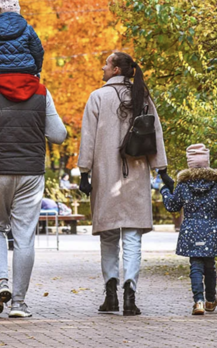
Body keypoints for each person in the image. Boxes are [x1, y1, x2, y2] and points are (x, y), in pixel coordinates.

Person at [0, 70, 67, 318]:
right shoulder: (41, 91)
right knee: (24, 237)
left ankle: (1, 282)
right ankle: (18, 303)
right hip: (31, 172)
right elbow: (59, 135)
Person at [77, 51, 170, 315]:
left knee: (108, 237)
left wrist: (84, 173)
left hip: (106, 178)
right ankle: (130, 294)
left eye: (106, 64)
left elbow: (88, 139)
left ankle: (111, 295)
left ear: (116, 69)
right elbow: (157, 135)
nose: (102, 67)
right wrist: (161, 171)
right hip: (136, 176)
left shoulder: (97, 97)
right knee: (132, 238)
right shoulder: (142, 97)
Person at [160, 144, 217, 315]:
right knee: (210, 266)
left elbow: (173, 206)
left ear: (190, 164)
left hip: (190, 230)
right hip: (212, 230)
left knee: (195, 266)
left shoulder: (183, 186)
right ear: (207, 163)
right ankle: (210, 299)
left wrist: (165, 191)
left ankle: (198, 302)